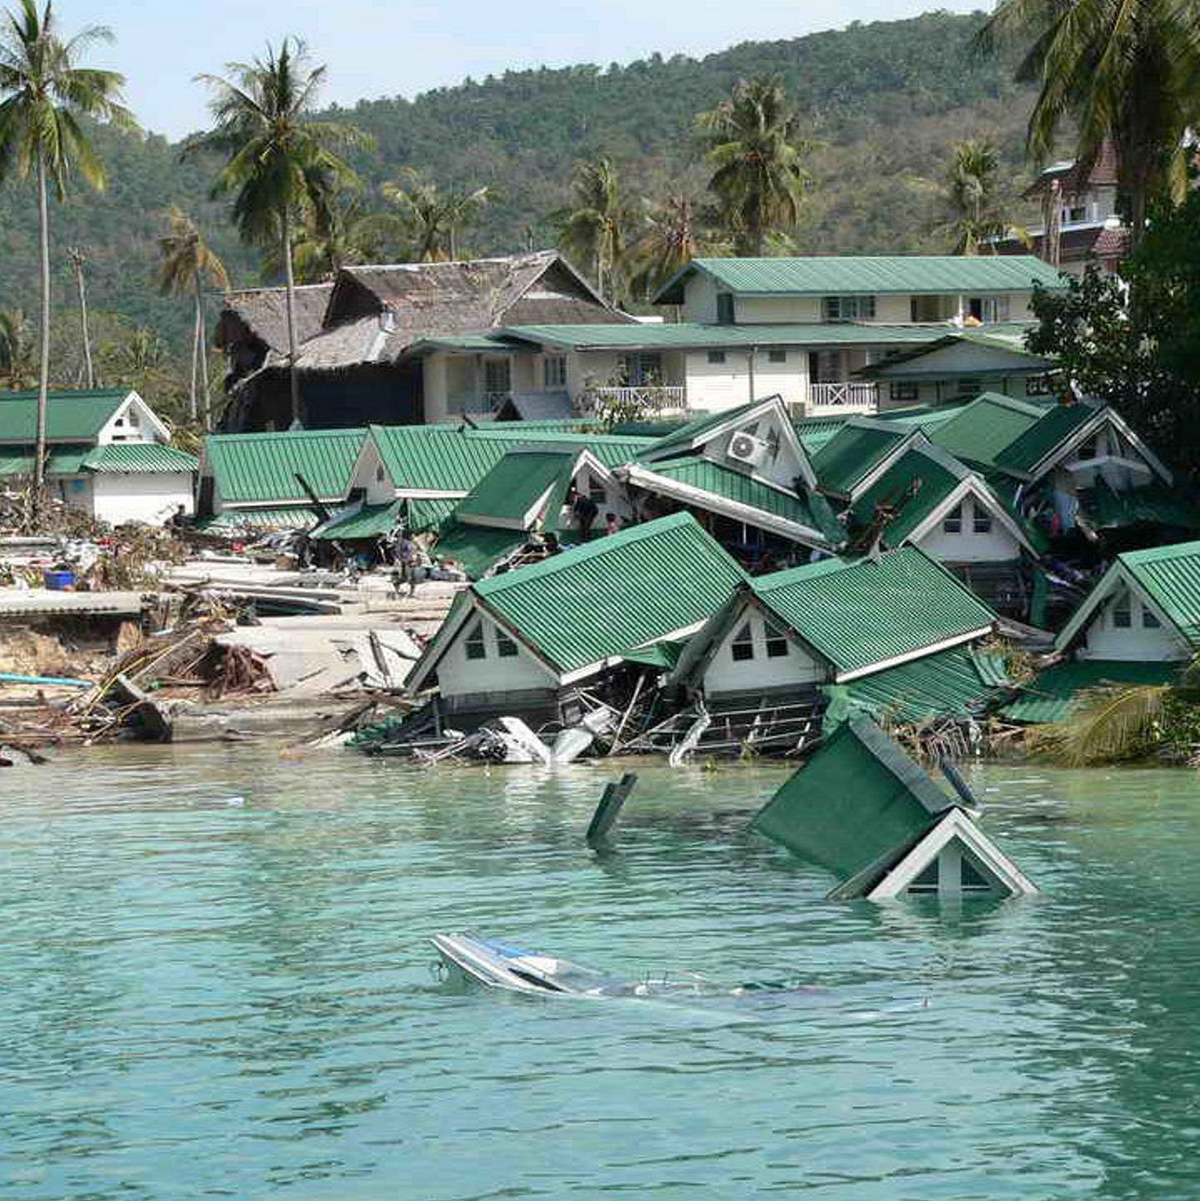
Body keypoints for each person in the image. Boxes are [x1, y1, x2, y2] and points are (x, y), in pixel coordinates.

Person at [393, 531, 418, 597]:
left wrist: (416, 560)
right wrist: (402, 560)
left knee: (413, 578)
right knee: (406, 578)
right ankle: (396, 584)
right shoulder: (403, 542)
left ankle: (412, 593)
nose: (413, 536)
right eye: (412, 535)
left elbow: (414, 552)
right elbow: (397, 552)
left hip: (412, 562)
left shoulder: (412, 542)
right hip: (406, 562)